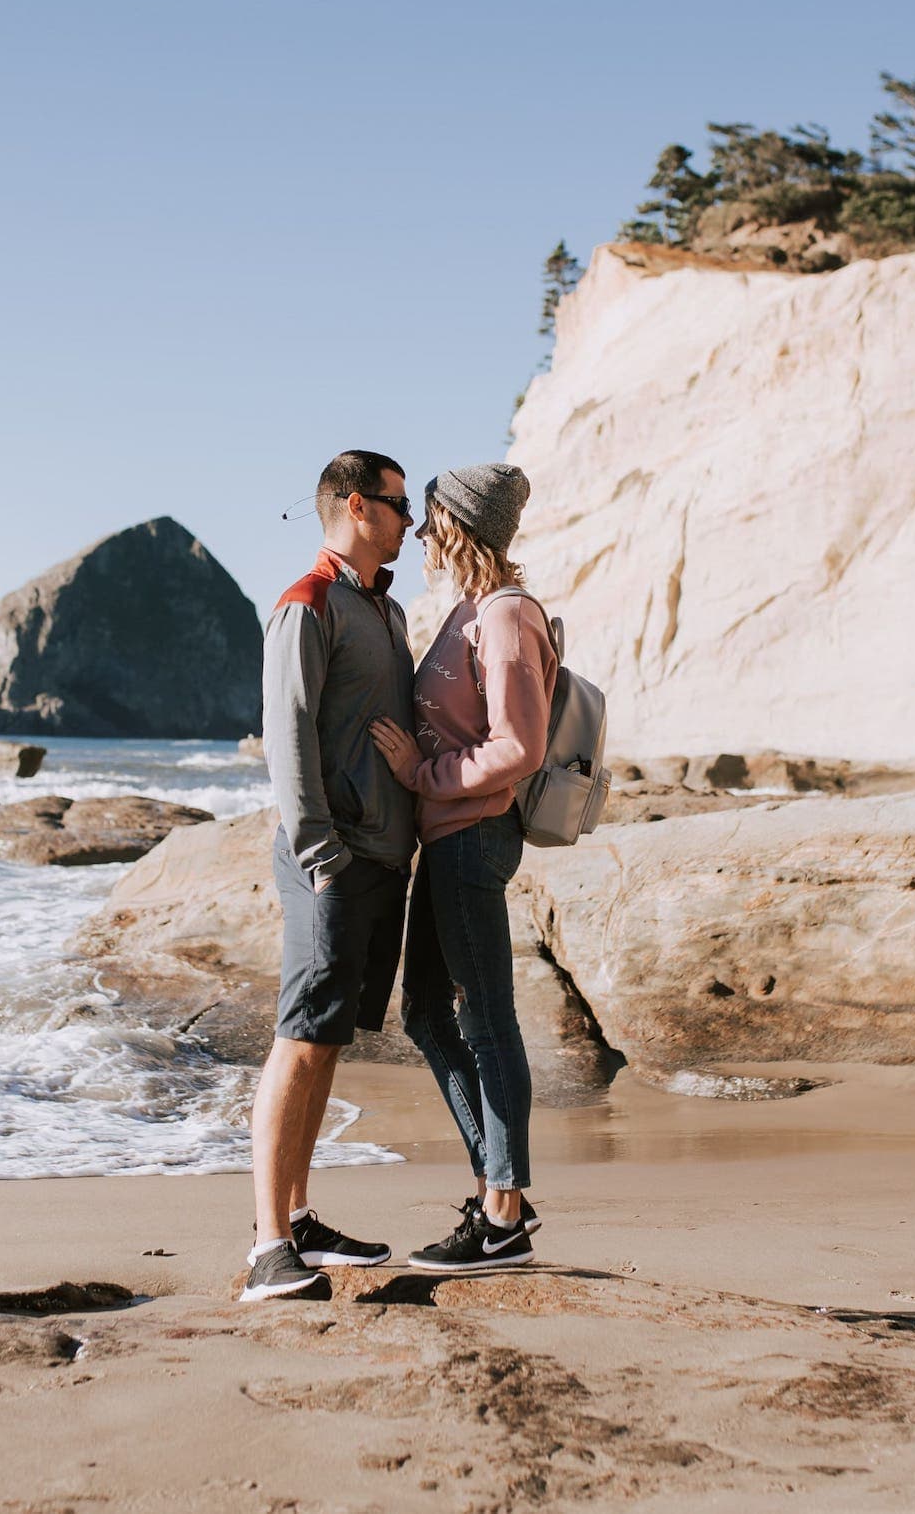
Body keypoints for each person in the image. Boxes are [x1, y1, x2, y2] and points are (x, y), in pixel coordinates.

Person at [241, 449, 419, 1303]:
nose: (411, 520)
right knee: (301, 1038)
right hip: (333, 861)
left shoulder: (385, 610)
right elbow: (288, 740)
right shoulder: (307, 604)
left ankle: (301, 1217)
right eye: (398, 503)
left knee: (329, 1043)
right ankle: (268, 1246)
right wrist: (324, 858)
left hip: (380, 858)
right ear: (356, 505)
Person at [367, 462, 552, 1272]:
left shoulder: (506, 616)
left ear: (459, 525)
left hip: (474, 834)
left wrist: (421, 775)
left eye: (431, 515)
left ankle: (502, 1215)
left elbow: (520, 747)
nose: (419, 529)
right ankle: (497, 1189)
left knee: (486, 1022)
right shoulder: (469, 610)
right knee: (424, 1014)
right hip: (446, 838)